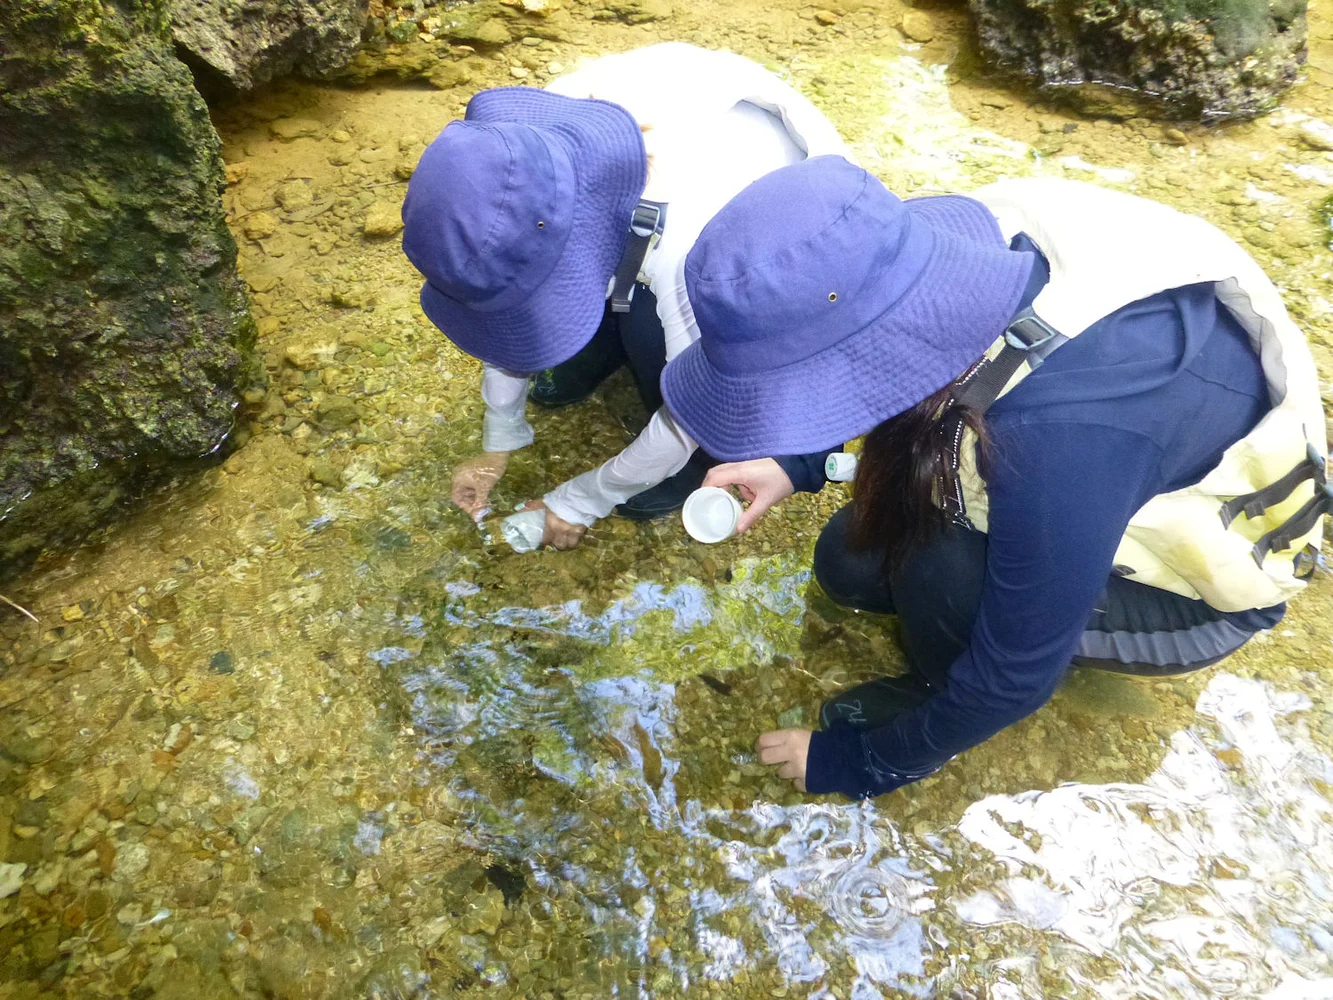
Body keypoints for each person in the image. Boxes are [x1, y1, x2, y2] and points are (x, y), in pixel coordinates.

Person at [661, 155, 1328, 798]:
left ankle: (934, 687)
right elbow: (898, 363)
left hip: (1189, 596)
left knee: (935, 563)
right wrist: (798, 462)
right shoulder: (959, 243)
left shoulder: (1062, 435)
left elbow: (1015, 675)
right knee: (848, 564)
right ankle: (947, 651)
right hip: (1099, 462)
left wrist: (861, 762)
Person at [401, 44, 848, 549]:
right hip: (647, 229)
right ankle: (607, 341)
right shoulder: (521, 155)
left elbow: (690, 418)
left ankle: (696, 465)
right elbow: (502, 295)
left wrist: (579, 500)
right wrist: (499, 439)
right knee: (608, 310)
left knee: (709, 402)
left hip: (768, 257)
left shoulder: (710, 259)